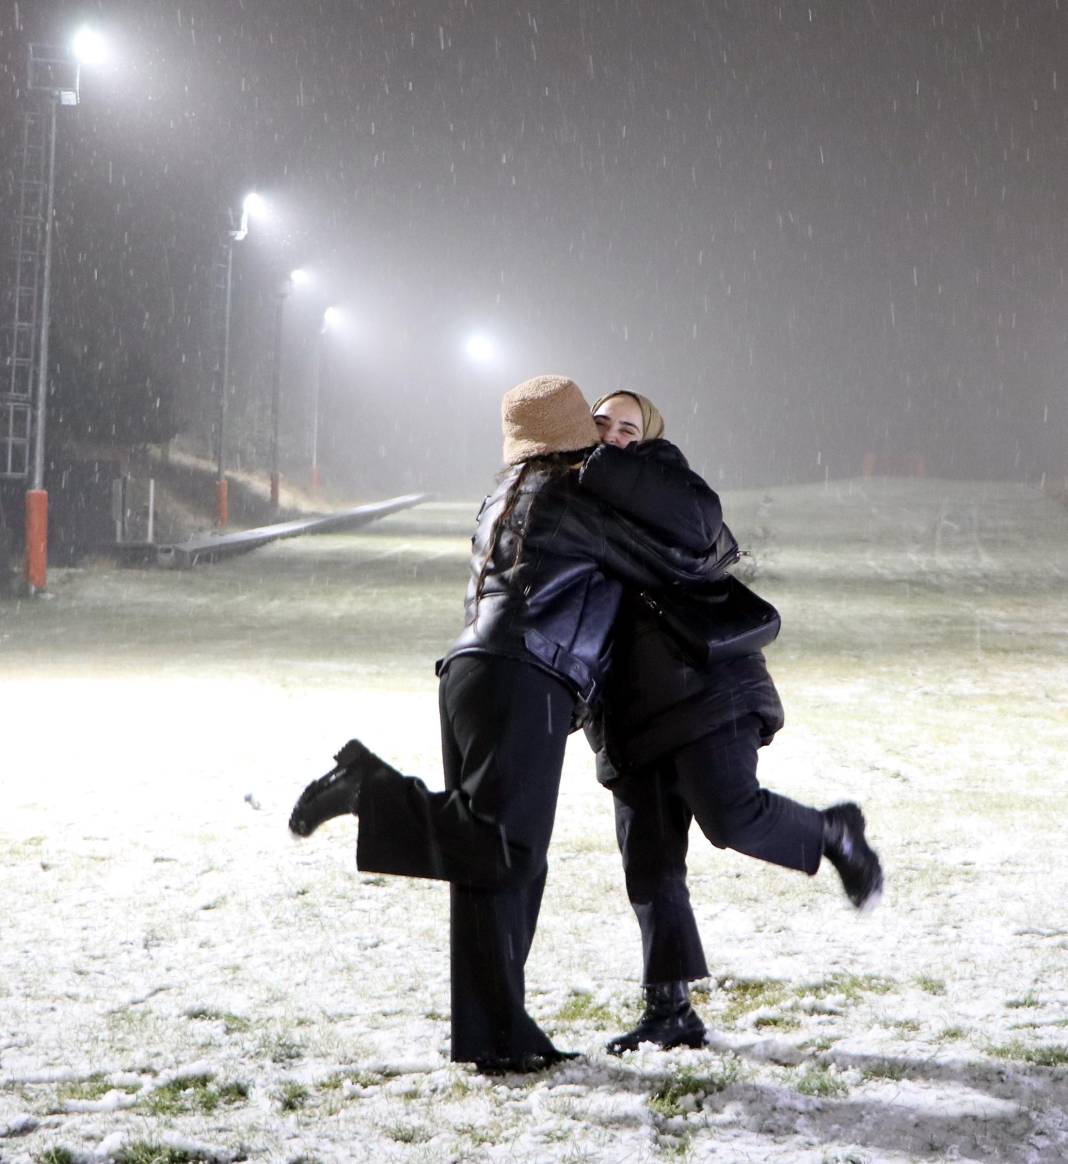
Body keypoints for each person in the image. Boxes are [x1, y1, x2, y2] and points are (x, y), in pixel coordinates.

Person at [287, 375, 724, 1074]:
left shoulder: (508, 491)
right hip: (526, 675)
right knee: (507, 853)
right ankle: (369, 791)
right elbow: (695, 543)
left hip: (469, 671)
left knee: (492, 868)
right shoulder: (576, 497)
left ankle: (495, 1036)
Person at [580, 390, 884, 1055]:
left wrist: (597, 461)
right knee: (651, 868)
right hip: (629, 718)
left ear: (650, 438)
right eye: (600, 422)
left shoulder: (667, 481)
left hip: (702, 690)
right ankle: (670, 1010)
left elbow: (696, 522)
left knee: (732, 817)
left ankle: (833, 831)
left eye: (627, 427)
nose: (613, 434)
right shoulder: (580, 503)